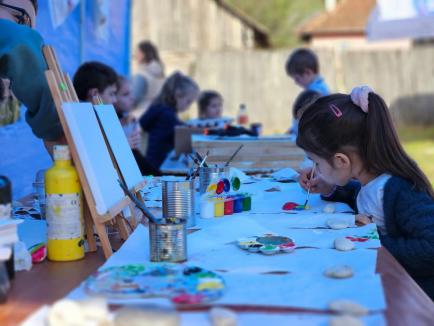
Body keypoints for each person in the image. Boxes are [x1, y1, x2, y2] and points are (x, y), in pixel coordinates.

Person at [296, 85, 434, 300]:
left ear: (341, 161)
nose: (314, 170)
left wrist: (371, 237)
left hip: (413, 299)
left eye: (316, 162)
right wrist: (331, 188)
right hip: (382, 284)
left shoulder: (402, 191)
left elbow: (430, 249)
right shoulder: (369, 181)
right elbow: (366, 199)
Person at [0, 0, 63, 150]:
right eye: (19, 18)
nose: (22, 30)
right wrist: (57, 129)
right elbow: (18, 40)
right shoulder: (16, 37)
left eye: (28, 28)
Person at [139, 71, 199, 170]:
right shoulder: (166, 114)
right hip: (158, 167)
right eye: (188, 102)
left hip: (152, 162)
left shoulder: (159, 108)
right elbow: (181, 134)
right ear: (177, 95)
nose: (188, 107)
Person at [114, 76, 161, 176]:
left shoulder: (128, 119)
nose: (132, 98)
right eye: (125, 94)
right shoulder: (111, 123)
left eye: (131, 93)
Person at [132, 40, 165, 118]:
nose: (136, 55)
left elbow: (134, 99)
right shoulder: (160, 74)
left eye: (138, 52)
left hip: (140, 115)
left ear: (144, 54)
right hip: (157, 114)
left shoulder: (142, 75)